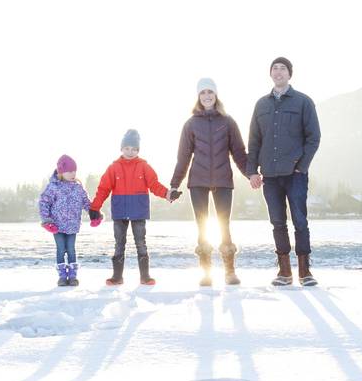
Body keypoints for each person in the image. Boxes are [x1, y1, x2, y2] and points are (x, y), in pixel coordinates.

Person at [247, 56, 321, 286]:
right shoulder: (261, 105)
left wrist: (302, 166)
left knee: (300, 220)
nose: (278, 72)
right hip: (269, 174)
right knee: (277, 222)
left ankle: (305, 271)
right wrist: (252, 171)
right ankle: (284, 272)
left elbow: (313, 138)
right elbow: (254, 141)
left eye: (283, 69)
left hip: (295, 174)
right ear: (271, 74)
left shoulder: (303, 102)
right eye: (275, 69)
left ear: (290, 74)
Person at [170, 77, 249, 286]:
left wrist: (251, 173)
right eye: (203, 93)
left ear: (216, 95)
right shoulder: (190, 124)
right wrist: (174, 184)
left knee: (224, 225)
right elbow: (183, 157)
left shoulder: (228, 121)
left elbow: (239, 152)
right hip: (198, 181)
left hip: (223, 180)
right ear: (198, 97)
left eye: (210, 92)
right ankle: (206, 273)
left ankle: (229, 271)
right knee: (202, 225)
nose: (207, 96)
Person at [90, 129, 171, 286]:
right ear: (121, 148)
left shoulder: (144, 166)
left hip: (138, 211)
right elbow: (103, 188)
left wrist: (167, 194)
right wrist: (95, 207)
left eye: (134, 149)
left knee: (141, 242)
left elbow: (154, 185)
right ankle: (117, 277)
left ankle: (145, 276)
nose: (130, 152)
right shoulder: (113, 168)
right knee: (119, 243)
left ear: (138, 150)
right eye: (127, 148)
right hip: (120, 211)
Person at [39, 154, 101, 286]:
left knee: (71, 249)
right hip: (57, 225)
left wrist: (95, 215)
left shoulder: (78, 188)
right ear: (61, 172)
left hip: (72, 224)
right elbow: (44, 202)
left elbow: (86, 203)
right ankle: (62, 276)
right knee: (61, 249)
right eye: (70, 171)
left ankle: (72, 276)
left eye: (75, 171)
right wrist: (47, 221)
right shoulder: (53, 187)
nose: (73, 173)